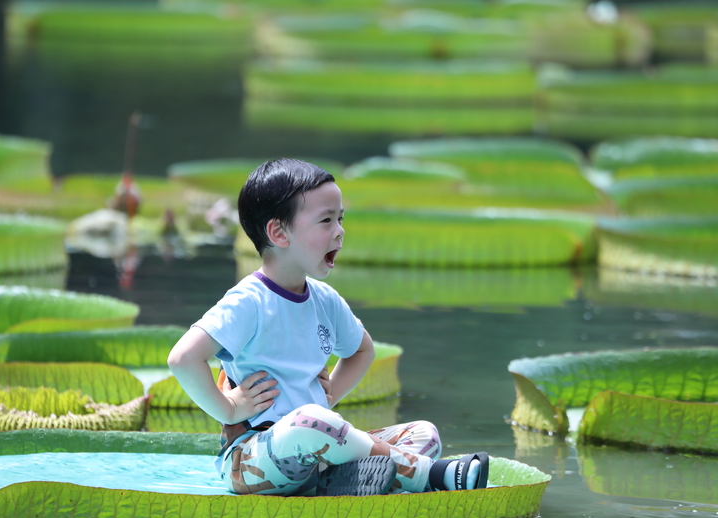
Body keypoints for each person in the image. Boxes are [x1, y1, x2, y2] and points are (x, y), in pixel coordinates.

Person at [168, 158, 489, 496]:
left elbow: (362, 350)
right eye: (326, 220)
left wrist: (330, 394)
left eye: (340, 219)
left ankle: (333, 481)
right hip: (253, 461)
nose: (340, 230)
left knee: (424, 434)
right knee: (310, 423)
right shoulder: (248, 301)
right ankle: (430, 476)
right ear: (278, 233)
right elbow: (183, 358)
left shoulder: (324, 299)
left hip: (317, 443)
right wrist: (228, 407)